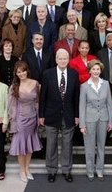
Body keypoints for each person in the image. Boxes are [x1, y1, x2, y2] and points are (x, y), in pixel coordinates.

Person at [39, 49, 80, 183]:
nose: (63, 61)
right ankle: (51, 170)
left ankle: (66, 170)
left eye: (65, 58)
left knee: (67, 144)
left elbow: (76, 97)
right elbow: (42, 96)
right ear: (56, 59)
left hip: (69, 115)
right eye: (60, 58)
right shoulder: (47, 74)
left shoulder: (74, 74)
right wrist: (41, 115)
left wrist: (77, 115)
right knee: (51, 144)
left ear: (68, 60)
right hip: (51, 115)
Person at [79, 60, 112, 181]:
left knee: (101, 146)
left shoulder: (106, 84)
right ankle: (90, 171)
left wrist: (111, 121)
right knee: (89, 147)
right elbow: (82, 106)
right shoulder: (84, 86)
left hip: (103, 118)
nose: (96, 71)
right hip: (89, 119)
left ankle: (99, 170)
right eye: (93, 69)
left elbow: (109, 103)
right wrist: (82, 125)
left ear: (100, 71)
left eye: (98, 69)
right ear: (89, 71)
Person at [8, 61, 42, 182]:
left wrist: (38, 117)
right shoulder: (14, 87)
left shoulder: (35, 84)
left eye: (23, 71)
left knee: (30, 145)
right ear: (16, 73)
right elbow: (12, 106)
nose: (21, 73)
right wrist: (14, 121)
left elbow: (37, 101)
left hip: (32, 118)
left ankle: (27, 169)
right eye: (19, 72)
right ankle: (21, 170)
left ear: (27, 70)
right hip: (20, 119)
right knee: (21, 146)